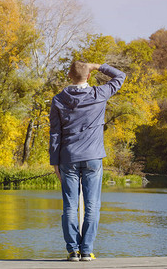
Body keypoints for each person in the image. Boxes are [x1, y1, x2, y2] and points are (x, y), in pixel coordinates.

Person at [49, 61, 126, 261]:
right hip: (92, 157)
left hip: (68, 158)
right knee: (92, 205)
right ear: (89, 76)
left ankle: (73, 250)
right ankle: (86, 251)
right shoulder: (98, 94)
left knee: (69, 205)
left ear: (69, 75)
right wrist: (98, 65)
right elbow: (120, 76)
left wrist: (54, 162)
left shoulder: (58, 100)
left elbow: (55, 134)